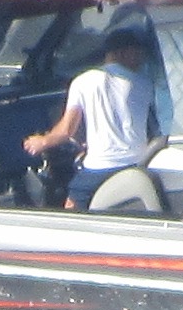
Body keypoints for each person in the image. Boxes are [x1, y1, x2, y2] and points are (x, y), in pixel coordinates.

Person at [22, 24, 164, 210]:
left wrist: (42, 142)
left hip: (100, 168)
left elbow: (66, 130)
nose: (141, 58)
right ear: (122, 53)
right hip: (138, 163)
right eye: (137, 53)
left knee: (71, 207)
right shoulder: (146, 84)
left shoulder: (83, 81)